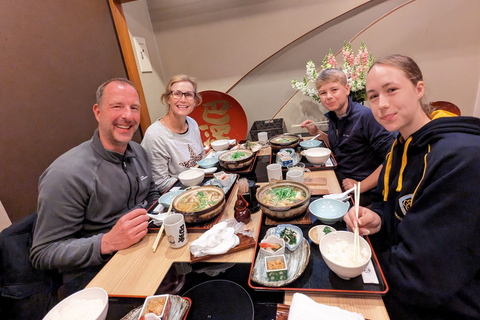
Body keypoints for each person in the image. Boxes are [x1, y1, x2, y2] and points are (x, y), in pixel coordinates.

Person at [344, 54, 480, 320]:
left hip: (445, 304)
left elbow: (427, 275)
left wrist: (356, 267)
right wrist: (379, 219)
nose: (382, 105)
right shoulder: (400, 146)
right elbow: (398, 208)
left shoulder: (461, 158)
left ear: (419, 89)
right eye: (373, 96)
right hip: (406, 277)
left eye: (391, 90)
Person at [31, 78, 160, 292]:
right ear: (98, 112)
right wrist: (108, 242)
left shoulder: (138, 151)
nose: (127, 116)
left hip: (145, 249)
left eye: (134, 108)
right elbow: (43, 253)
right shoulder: (66, 174)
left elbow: (152, 192)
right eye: (117, 106)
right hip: (96, 275)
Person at [301, 68, 395, 205]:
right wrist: (317, 134)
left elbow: (392, 159)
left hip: (365, 190)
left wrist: (360, 186)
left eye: (334, 90)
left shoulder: (365, 116)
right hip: (339, 175)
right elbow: (341, 145)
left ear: (346, 89)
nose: (328, 96)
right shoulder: (334, 116)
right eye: (323, 93)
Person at [141, 74, 205, 193]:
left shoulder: (192, 123)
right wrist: (196, 189)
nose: (183, 99)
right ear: (168, 99)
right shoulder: (155, 135)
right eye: (177, 94)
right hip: (177, 195)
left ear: (195, 101)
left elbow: (201, 159)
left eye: (189, 95)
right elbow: (160, 183)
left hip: (201, 185)